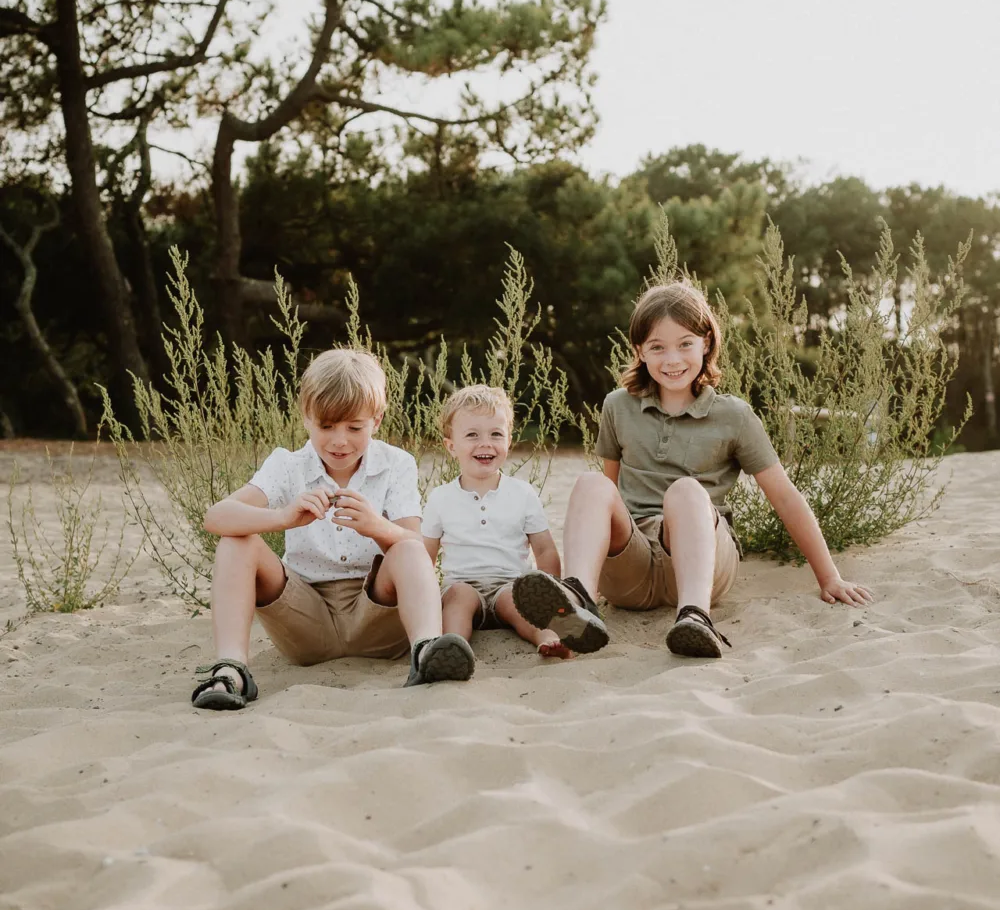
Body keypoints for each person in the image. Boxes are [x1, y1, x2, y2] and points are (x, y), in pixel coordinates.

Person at [511, 282, 873, 659]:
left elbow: (784, 496)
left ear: (707, 343)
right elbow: (608, 496)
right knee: (591, 484)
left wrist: (829, 577)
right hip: (633, 565)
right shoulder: (617, 407)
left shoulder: (734, 416)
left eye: (685, 343)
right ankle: (579, 600)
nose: (672, 359)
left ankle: (695, 617)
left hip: (702, 562)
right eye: (657, 347)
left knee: (685, 490)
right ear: (640, 352)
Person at [190, 348, 475, 710]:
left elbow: (416, 545)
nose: (340, 441)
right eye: (326, 426)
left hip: (377, 618)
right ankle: (231, 670)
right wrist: (284, 517)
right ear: (306, 417)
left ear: (377, 420)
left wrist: (376, 527)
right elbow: (216, 516)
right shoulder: (287, 464)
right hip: (305, 621)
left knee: (407, 548)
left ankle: (425, 652)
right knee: (236, 541)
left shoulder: (395, 464)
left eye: (355, 427)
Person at [421, 385, 572, 659]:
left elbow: (545, 550)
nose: (485, 443)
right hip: (462, 584)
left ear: (509, 440)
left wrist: (550, 595)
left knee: (518, 604)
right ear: (451, 446)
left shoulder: (522, 493)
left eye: (495, 434)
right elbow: (425, 556)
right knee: (458, 601)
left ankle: (549, 637)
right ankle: (453, 646)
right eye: (472, 435)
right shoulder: (440, 498)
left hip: (509, 583)